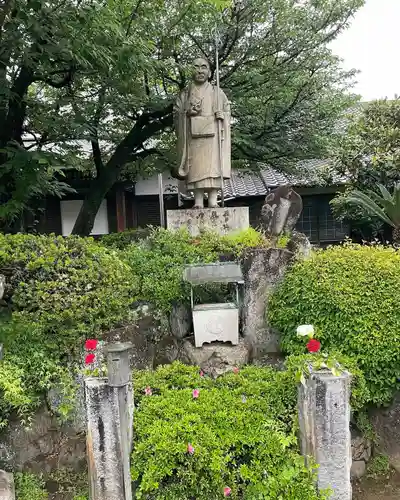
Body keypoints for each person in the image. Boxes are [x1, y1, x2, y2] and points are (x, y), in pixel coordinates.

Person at [173, 57, 231, 208]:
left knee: (213, 167)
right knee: (195, 167)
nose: (200, 70)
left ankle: (213, 199)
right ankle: (197, 200)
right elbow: (176, 113)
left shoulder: (218, 92)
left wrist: (222, 116)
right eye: (196, 67)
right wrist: (186, 113)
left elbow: (226, 111)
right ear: (191, 71)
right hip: (193, 135)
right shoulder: (184, 94)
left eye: (203, 67)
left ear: (210, 72)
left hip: (213, 137)